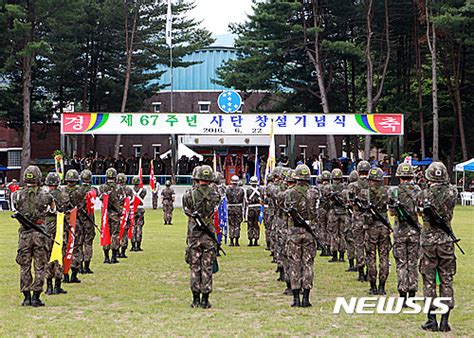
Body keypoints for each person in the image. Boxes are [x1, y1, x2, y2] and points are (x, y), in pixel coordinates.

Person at [418, 162, 458, 332]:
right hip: (446, 240)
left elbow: (419, 213)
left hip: (428, 241)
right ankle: (445, 321)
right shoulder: (452, 192)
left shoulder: (423, 194)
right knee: (446, 279)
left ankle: (431, 319)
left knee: (429, 280)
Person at [13, 165, 54, 307]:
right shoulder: (46, 195)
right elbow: (52, 210)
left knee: (24, 266)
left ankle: (26, 297)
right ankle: (36, 296)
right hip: (39, 234)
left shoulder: (16, 195)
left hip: (24, 234)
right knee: (39, 265)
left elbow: (16, 207)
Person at [182, 165, 220, 308]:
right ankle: (205, 299)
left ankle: (195, 299)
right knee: (207, 267)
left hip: (194, 234)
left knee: (194, 267)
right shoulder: (216, 195)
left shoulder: (188, 195)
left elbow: (187, 211)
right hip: (209, 235)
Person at [389, 163, 421, 305]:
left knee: (401, 264)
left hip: (400, 231)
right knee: (413, 264)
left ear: (399, 176)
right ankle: (412, 294)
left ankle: (402, 295)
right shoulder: (418, 190)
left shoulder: (394, 191)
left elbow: (391, 212)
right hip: (414, 231)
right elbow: (420, 211)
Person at [285, 164, 316, 307]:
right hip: (309, 231)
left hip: (294, 232)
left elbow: (285, 211)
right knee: (308, 263)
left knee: (294, 263)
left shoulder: (290, 193)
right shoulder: (314, 193)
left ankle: (296, 298)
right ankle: (306, 298)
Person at [363, 167, 391, 295]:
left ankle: (373, 286)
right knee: (384, 257)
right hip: (384, 226)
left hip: (371, 227)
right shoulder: (386, 191)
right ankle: (382, 287)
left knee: (371, 257)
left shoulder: (365, 192)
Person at [58, 169, 84, 283]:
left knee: (65, 247)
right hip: (76, 222)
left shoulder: (61, 192)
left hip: (64, 222)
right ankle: (74, 274)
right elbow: (82, 207)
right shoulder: (79, 192)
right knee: (76, 247)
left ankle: (65, 274)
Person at [44, 172, 67, 295]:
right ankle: (57, 285)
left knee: (48, 255)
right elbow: (67, 210)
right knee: (59, 254)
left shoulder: (44, 195)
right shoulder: (63, 195)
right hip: (59, 226)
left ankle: (48, 286)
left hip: (47, 227)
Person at [349, 160, 371, 282]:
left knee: (358, 245)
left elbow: (350, 202)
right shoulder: (372, 184)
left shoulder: (353, 185)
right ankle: (369, 269)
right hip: (369, 218)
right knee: (369, 245)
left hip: (357, 217)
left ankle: (361, 271)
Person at [98, 167, 125, 264]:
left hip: (105, 214)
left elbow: (101, 198)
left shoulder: (102, 187)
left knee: (106, 234)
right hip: (115, 214)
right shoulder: (119, 188)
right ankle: (114, 257)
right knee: (115, 234)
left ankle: (106, 257)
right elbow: (122, 199)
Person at [79, 169, 98, 273]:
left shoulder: (77, 191)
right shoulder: (93, 190)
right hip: (89, 220)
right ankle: (86, 265)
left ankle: (80, 266)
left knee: (79, 244)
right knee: (88, 243)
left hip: (79, 220)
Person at [327, 168, 346, 263]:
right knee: (342, 234)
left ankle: (335, 255)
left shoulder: (330, 188)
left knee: (334, 234)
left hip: (333, 213)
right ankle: (342, 255)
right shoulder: (344, 187)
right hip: (343, 213)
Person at [344, 171, 359, 272]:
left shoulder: (350, 188)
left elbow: (349, 202)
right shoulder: (364, 187)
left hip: (350, 216)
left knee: (349, 240)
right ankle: (360, 264)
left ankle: (351, 263)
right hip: (360, 218)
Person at [226, 175, 245, 246]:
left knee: (231, 224)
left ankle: (231, 241)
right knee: (237, 224)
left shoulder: (228, 190)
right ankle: (237, 241)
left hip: (230, 207)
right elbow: (242, 199)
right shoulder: (241, 190)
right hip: (238, 208)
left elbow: (227, 198)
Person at [117, 173, 133, 258]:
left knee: (116, 233)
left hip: (116, 214)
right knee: (125, 233)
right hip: (125, 213)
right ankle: (122, 251)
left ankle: (116, 251)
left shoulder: (114, 190)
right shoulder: (129, 190)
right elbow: (131, 200)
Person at [245, 176, 264, 246]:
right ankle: (256, 240)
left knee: (250, 224)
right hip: (258, 208)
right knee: (256, 224)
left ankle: (250, 240)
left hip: (250, 208)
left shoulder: (248, 190)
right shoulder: (260, 190)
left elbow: (246, 199)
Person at [318, 171, 332, 256]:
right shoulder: (331, 187)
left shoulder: (319, 187)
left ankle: (323, 248)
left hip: (322, 209)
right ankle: (329, 247)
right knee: (329, 229)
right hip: (330, 210)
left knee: (322, 228)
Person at [131, 175, 147, 251]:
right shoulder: (143, 190)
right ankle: (138, 245)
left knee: (133, 227)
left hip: (133, 209)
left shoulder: (130, 190)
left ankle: (133, 245)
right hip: (140, 209)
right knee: (139, 227)